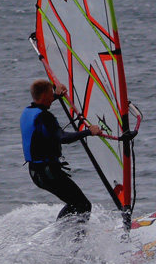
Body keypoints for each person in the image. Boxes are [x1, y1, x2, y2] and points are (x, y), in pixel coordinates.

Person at [20, 79, 101, 223]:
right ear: (44, 95)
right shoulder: (45, 117)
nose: (53, 98)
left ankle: (63, 235)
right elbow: (63, 138)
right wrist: (88, 132)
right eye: (51, 95)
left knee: (75, 203)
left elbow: (41, 108)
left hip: (35, 172)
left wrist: (58, 95)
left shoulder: (28, 111)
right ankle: (76, 242)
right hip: (48, 172)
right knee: (83, 204)